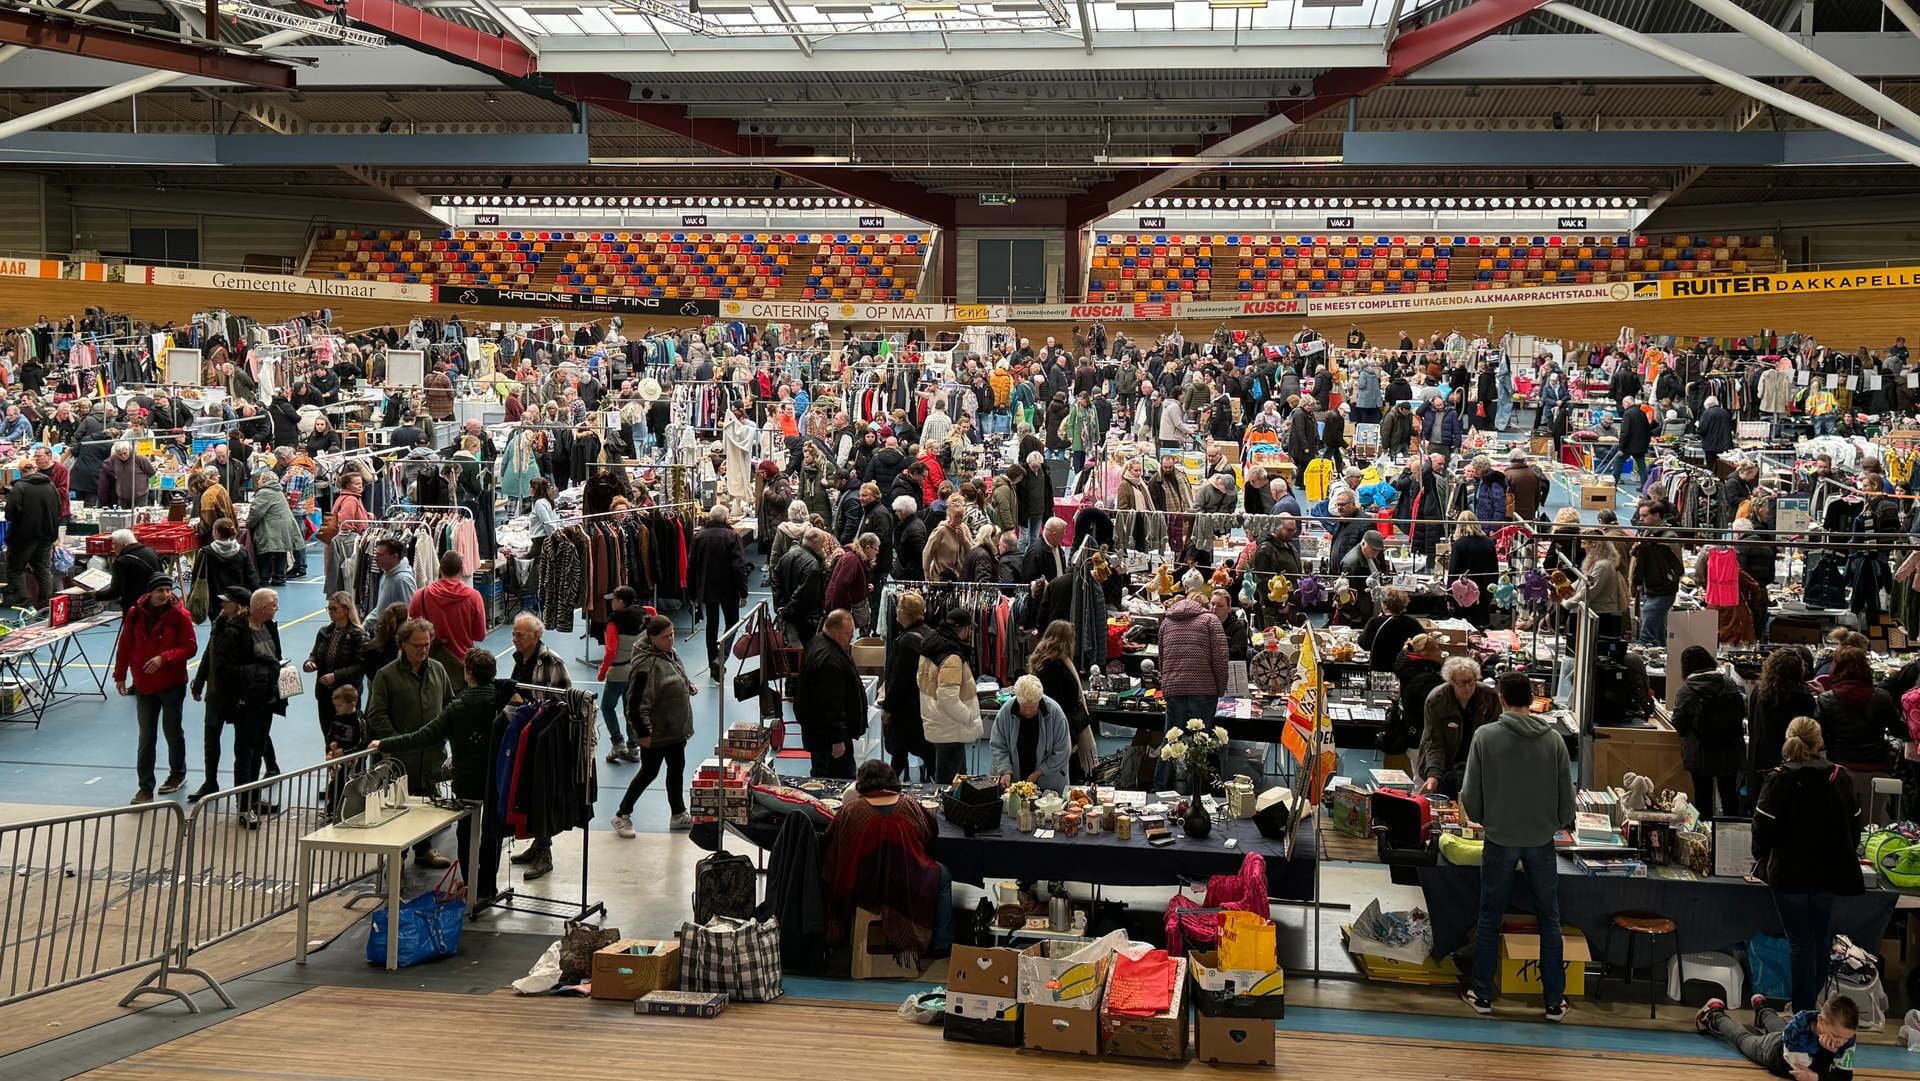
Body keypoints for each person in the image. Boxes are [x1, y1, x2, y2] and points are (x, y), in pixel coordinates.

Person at [1461, 671, 1576, 1022]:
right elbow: (1566, 801)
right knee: (1549, 919)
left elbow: (1470, 795)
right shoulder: (1553, 740)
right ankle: (1554, 1000)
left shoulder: (1485, 736)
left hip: (1499, 839)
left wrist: (1487, 820)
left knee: (1490, 915)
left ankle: (1483, 994)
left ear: (1501, 697)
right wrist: (1553, 823)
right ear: (1532, 697)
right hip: (1541, 841)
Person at [369, 648, 505, 902]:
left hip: (468, 780)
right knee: (491, 833)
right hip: (497, 778)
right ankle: (488, 886)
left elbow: (423, 736)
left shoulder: (459, 707)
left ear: (467, 674)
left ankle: (471, 886)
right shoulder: (503, 699)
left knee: (467, 833)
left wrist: (385, 744)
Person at [1751, 716, 1865, 1014]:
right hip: (1829, 873)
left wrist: (1760, 858)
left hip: (1789, 874)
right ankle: (1809, 1007)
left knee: (1802, 943)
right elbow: (1855, 826)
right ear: (1820, 742)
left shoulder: (1779, 778)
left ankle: (1803, 1011)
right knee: (1819, 939)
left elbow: (1762, 828)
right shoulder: (1839, 777)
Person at [820, 759, 947, 956]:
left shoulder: (851, 810)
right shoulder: (910, 805)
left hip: (861, 888)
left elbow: (831, 845)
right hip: (908, 885)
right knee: (942, 873)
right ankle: (941, 944)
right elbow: (930, 833)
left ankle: (841, 935)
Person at [365, 617, 453, 865]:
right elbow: (376, 713)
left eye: (427, 645)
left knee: (427, 806)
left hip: (431, 756)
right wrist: (395, 743)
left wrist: (443, 735)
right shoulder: (386, 675)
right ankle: (396, 857)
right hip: (400, 759)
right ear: (403, 644)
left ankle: (424, 850)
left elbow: (449, 705)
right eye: (417, 645)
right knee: (398, 809)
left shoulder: (438, 669)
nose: (423, 650)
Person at [610, 615, 698, 836]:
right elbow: (635, 704)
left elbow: (676, 673)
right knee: (648, 772)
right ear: (652, 638)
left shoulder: (669, 653)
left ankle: (678, 813)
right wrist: (643, 732)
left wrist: (686, 685)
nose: (671, 640)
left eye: (673, 635)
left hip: (676, 730)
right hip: (656, 732)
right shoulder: (645, 667)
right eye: (666, 637)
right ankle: (622, 815)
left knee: (676, 770)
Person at [114, 575, 196, 803]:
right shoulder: (135, 614)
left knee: (172, 731)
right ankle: (145, 788)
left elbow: (190, 648)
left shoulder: (180, 615)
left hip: (172, 684)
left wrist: (165, 658)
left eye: (168, 590)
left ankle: (177, 774)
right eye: (160, 590)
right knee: (146, 737)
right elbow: (125, 645)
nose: (165, 595)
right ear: (150, 592)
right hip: (144, 685)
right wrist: (120, 675)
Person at [215, 588, 288, 828]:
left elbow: (275, 657)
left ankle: (254, 798)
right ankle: (244, 807)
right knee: (244, 755)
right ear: (259, 608)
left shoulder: (269, 627)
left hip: (266, 700)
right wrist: (259, 671)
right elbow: (225, 669)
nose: (276, 609)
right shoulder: (235, 632)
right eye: (273, 606)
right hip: (246, 703)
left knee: (258, 751)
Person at [1698, 994, 1858, 1081]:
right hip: (1772, 1051)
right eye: (1837, 1036)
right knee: (1743, 1038)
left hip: (1786, 1038)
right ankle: (1714, 1014)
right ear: (1821, 1021)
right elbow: (1805, 1073)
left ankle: (1762, 1007)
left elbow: (1844, 1077)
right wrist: (1827, 1054)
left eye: (1847, 1039)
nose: (1842, 1043)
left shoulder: (1844, 1034)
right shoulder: (1797, 1033)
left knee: (1778, 1024)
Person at [1671, 644, 1748, 820]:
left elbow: (1679, 725)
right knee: (1729, 797)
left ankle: (1703, 840)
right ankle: (1731, 838)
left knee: (1702, 798)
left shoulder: (1687, 691)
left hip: (1701, 753)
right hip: (1730, 750)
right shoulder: (1729, 684)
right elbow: (1740, 712)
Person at [792, 609, 867, 778]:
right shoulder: (829, 661)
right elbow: (830, 704)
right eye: (848, 633)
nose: (851, 638)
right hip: (828, 739)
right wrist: (837, 739)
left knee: (821, 773)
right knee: (837, 780)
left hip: (819, 734)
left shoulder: (818, 642)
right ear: (834, 631)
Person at [1157, 591, 1229, 760]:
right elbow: (1220, 659)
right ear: (1204, 606)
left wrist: (1166, 684)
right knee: (1200, 742)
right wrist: (1220, 688)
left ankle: (1161, 784)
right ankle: (1196, 785)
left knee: (1171, 742)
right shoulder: (1210, 621)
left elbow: (1161, 658)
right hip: (1204, 689)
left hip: (1174, 689)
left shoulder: (1166, 622)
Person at [917, 608, 983, 783]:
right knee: (953, 783)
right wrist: (968, 717)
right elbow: (947, 697)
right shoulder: (952, 656)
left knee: (946, 777)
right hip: (951, 727)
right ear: (965, 629)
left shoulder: (931, 644)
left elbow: (922, 681)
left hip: (939, 721)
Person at [1419, 655, 1499, 797]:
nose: (1468, 687)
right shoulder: (1436, 700)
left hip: (1476, 763)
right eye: (1462, 683)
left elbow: (1494, 737)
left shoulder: (1489, 697)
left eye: (1471, 681)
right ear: (1451, 682)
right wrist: (1434, 775)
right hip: (1446, 763)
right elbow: (1434, 742)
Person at [1813, 647, 1901, 776]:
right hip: (1876, 763)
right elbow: (1896, 729)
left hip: (1838, 764)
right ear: (1866, 668)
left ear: (1836, 668)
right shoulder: (1882, 697)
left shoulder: (1826, 699)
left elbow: (1821, 737)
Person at [407, 550, 487, 688]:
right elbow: (479, 635)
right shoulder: (474, 597)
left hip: (427, 665)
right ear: (461, 569)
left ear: (440, 568)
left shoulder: (420, 596)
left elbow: (411, 632)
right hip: (461, 666)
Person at [687, 505, 750, 674]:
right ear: (724, 518)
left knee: (711, 625)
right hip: (728, 589)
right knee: (732, 624)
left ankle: (713, 664)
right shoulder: (731, 536)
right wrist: (743, 592)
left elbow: (691, 566)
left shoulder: (698, 536)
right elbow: (739, 567)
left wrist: (692, 592)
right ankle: (721, 657)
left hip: (706, 589)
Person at [1029, 619, 1094, 784]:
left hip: (1047, 724)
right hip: (1063, 727)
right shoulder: (1059, 668)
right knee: (1065, 771)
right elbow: (1066, 704)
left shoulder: (1041, 663)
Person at [990, 674, 1072, 794]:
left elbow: (1062, 751)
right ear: (1017, 699)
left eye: (1033, 707)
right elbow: (998, 745)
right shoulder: (1005, 712)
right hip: (1014, 781)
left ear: (1039, 699)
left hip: (1049, 783)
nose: (1028, 711)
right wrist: (1005, 770)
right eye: (1023, 707)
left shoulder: (1056, 714)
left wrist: (1039, 772)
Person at [304, 591, 367, 741]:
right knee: (328, 737)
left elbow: (360, 667)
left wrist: (335, 676)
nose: (331, 613)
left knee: (347, 739)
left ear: (346, 610)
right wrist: (309, 662)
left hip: (346, 696)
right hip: (325, 695)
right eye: (329, 609)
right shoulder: (324, 632)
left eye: (334, 609)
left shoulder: (358, 635)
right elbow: (314, 653)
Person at [1750, 649, 1818, 786]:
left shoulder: (1758, 692)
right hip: (1789, 764)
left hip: (1759, 759)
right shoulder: (1803, 699)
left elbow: (1752, 725)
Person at [597, 586, 648, 763]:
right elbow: (654, 615)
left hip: (618, 672)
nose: (611, 602)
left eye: (614, 599)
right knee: (631, 708)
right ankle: (634, 747)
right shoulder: (644, 613)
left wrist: (602, 672)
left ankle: (618, 743)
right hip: (637, 669)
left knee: (607, 707)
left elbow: (611, 650)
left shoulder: (613, 622)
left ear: (621, 602)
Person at [1384, 634, 1446, 774]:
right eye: (1436, 649)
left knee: (1418, 775)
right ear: (1425, 654)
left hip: (1410, 731)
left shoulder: (1410, 668)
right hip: (1421, 736)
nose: (1440, 652)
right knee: (1423, 778)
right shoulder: (1427, 679)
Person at [4, 460, 61, 610]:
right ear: (35, 469)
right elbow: (58, 508)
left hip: (23, 537)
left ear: (20, 471)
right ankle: (46, 604)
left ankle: (24, 604)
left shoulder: (19, 487)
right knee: (42, 569)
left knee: (16, 569)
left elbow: (10, 513)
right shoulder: (50, 485)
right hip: (46, 534)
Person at [771, 526, 829, 644]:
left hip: (789, 616)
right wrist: (787, 609)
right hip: (806, 620)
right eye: (822, 543)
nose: (823, 547)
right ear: (814, 542)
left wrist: (780, 604)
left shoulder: (787, 556)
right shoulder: (813, 566)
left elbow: (775, 579)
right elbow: (803, 593)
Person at [247, 468, 301, 587]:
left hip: (271, 527)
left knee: (265, 552)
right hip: (284, 525)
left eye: (260, 479)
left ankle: (264, 579)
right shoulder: (278, 491)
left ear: (264, 481)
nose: (258, 482)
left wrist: (248, 524)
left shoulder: (264, 492)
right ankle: (279, 578)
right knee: (280, 551)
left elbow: (256, 512)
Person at [1360, 588, 1422, 674]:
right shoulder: (1412, 623)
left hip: (1379, 672)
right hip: (1404, 670)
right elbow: (1422, 643)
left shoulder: (1374, 622)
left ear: (1385, 605)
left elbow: (1364, 644)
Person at [362, 537, 417, 628]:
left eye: (380, 555)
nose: (375, 558)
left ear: (394, 556)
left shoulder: (402, 580)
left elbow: (410, 612)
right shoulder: (386, 575)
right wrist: (365, 624)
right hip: (384, 633)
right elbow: (381, 608)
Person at [825, 533, 879, 620]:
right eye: (876, 549)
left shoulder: (858, 559)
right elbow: (841, 586)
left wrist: (866, 588)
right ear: (868, 548)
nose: (878, 552)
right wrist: (840, 615)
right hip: (839, 611)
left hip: (842, 609)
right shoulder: (852, 559)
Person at [527, 476, 560, 560]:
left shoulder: (539, 504)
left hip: (541, 542)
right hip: (544, 540)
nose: (529, 489)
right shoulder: (546, 501)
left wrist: (554, 539)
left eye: (531, 487)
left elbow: (547, 523)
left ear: (536, 489)